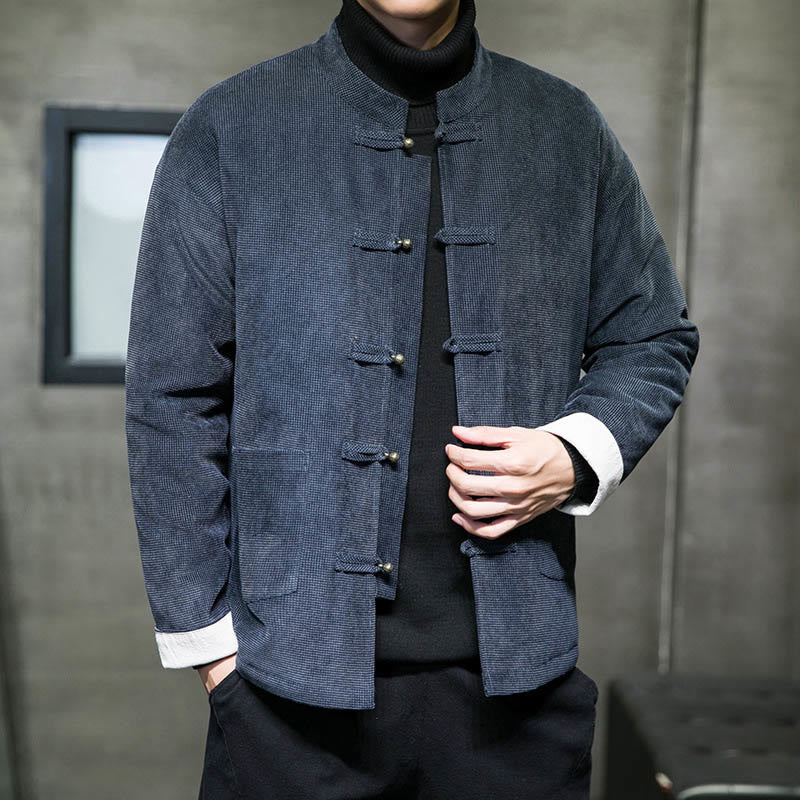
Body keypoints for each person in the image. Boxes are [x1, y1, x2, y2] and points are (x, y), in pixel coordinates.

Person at [124, 0, 700, 797]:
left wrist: (576, 452)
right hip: (284, 702)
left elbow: (653, 334)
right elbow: (171, 396)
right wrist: (214, 655)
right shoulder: (229, 126)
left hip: (518, 703)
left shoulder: (565, 126)